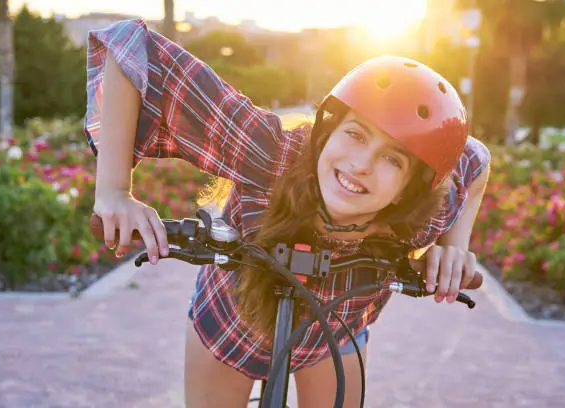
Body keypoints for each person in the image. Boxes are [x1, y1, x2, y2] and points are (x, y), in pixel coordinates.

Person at [86, 19, 490, 408]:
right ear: (327, 129)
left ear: (414, 186)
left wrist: (452, 246)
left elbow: (476, 159)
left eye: (393, 159)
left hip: (336, 329)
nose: (361, 164)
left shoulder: (422, 214)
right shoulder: (269, 153)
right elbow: (133, 48)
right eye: (354, 134)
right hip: (233, 322)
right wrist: (114, 192)